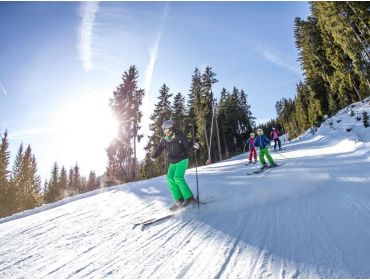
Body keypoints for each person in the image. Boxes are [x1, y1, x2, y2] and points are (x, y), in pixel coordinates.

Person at [151, 120, 200, 211]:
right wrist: (155, 155)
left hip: (182, 159)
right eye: (165, 130)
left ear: (172, 128)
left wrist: (194, 147)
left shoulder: (179, 135)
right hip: (173, 162)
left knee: (178, 178)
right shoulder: (164, 139)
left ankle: (189, 198)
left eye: (169, 130)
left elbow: (187, 145)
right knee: (170, 178)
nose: (167, 132)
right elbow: (159, 149)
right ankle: (179, 199)